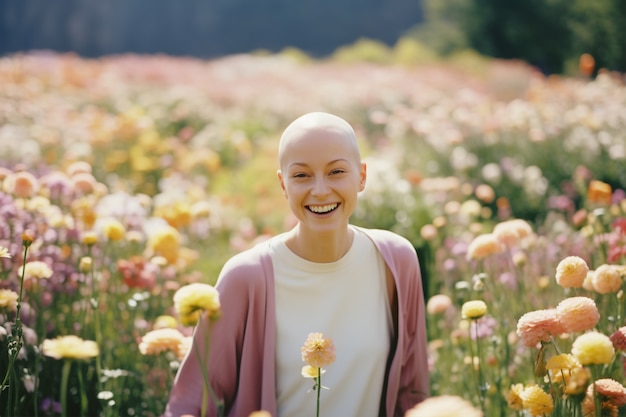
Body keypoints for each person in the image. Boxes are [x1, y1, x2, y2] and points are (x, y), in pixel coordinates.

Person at [163, 112, 429, 417]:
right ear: (283, 184)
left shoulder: (395, 261)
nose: (319, 190)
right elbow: (191, 403)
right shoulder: (246, 277)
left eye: (336, 171)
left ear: (362, 176)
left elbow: (413, 394)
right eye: (301, 175)